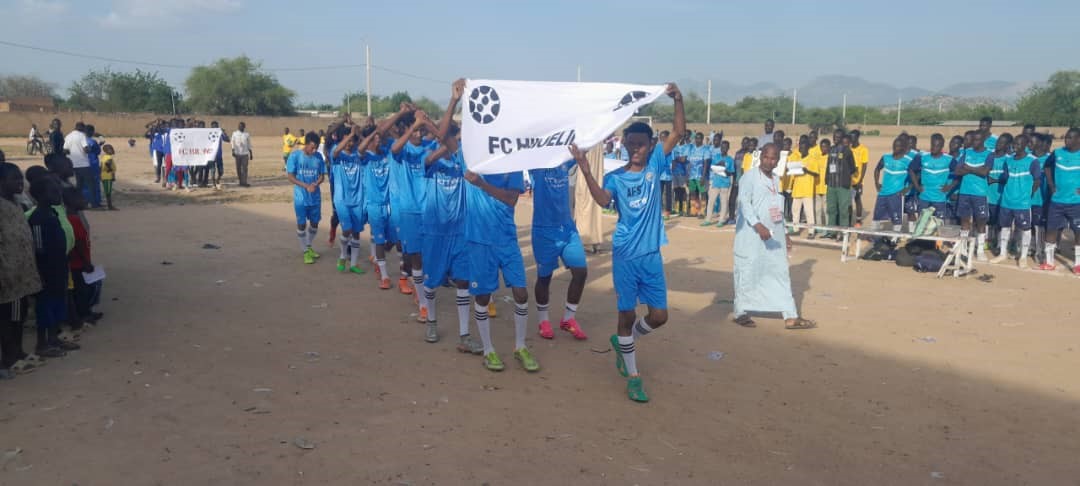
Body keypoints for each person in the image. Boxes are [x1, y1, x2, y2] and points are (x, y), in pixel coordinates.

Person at [575, 83, 683, 403]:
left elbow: (678, 131)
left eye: (641, 144)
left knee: (659, 316)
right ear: (623, 145)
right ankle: (634, 376)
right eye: (631, 144)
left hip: (651, 255)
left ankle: (626, 343)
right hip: (624, 255)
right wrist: (584, 167)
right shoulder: (617, 177)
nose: (635, 149)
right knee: (624, 315)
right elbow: (602, 199)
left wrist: (678, 98)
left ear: (650, 145)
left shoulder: (655, 165)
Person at [463, 143, 537, 374]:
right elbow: (445, 136)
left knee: (521, 293)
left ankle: (520, 346)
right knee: (483, 296)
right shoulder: (470, 157)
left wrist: (481, 184)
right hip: (479, 240)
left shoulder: (511, 163)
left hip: (506, 239)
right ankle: (488, 350)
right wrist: (454, 103)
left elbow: (511, 199)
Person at [420, 81, 483, 352]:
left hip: (459, 230)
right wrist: (452, 101)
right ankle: (432, 321)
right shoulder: (429, 156)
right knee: (432, 282)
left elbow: (450, 140)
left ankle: (464, 335)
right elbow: (440, 145)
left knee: (463, 281)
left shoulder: (461, 159)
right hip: (435, 229)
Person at [733, 142, 816, 331]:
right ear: (760, 156)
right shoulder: (749, 177)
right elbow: (744, 204)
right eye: (767, 157)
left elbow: (777, 208)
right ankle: (740, 312)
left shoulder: (776, 180)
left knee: (780, 272)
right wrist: (758, 225)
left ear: (778, 160)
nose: (770, 162)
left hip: (774, 236)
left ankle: (790, 315)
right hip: (751, 236)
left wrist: (784, 233)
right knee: (747, 271)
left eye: (774, 159)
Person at [529, 152, 589, 341]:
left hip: (568, 229)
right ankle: (543, 320)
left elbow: (582, 146)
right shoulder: (534, 163)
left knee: (580, 272)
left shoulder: (564, 159)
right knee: (544, 278)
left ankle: (568, 319)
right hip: (544, 231)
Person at [27, 176, 79, 358]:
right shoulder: (38, 218)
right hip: (46, 270)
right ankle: (42, 344)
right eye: (54, 192)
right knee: (45, 308)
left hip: (59, 267)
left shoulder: (52, 213)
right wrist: (41, 272)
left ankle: (54, 339)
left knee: (58, 304)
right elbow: (39, 249)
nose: (59, 194)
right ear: (41, 195)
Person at [0, 163, 43, 378]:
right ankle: (10, 356)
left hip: (22, 274)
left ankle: (18, 351)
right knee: (10, 319)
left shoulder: (16, 203)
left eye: (20, 178)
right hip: (9, 276)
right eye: (13, 179)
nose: (20, 182)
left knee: (20, 315)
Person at [944, 131, 994, 261]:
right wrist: (974, 169)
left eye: (977, 140)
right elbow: (958, 170)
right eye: (973, 140)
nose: (974, 142)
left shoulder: (989, 154)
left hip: (980, 193)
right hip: (965, 192)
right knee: (964, 221)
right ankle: (964, 248)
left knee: (980, 221)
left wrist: (969, 169)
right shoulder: (967, 152)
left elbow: (984, 172)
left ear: (983, 140)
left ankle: (980, 249)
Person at [991, 134, 1039, 267]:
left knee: (1026, 229)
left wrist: (1029, 194)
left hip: (1022, 202)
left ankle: (1023, 256)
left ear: (1025, 145)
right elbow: (1005, 177)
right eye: (1014, 144)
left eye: (1018, 144)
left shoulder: (1032, 161)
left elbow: (1037, 180)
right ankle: (1002, 253)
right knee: (1005, 227)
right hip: (1007, 200)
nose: (1015, 146)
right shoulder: (1009, 160)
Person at [1039, 127, 1080, 272]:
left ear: (1078, 139)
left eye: (1070, 137)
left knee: (1078, 232)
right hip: (1057, 201)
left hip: (1076, 203)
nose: (1066, 140)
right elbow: (1047, 166)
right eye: (1066, 137)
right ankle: (1049, 261)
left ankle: (1078, 264)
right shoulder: (1057, 153)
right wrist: (1051, 184)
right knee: (1051, 230)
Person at [330, 124, 368, 276]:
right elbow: (337, 151)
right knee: (347, 229)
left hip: (357, 199)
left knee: (357, 232)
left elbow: (368, 146)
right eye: (348, 140)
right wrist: (350, 136)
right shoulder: (337, 153)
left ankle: (353, 264)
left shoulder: (358, 155)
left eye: (353, 140)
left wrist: (359, 135)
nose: (351, 143)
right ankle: (342, 256)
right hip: (342, 199)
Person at [286, 132, 326, 265]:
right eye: (312, 147)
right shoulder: (295, 156)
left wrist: (316, 183)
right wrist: (305, 185)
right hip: (301, 197)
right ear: (306, 143)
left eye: (316, 147)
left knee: (315, 224)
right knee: (302, 224)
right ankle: (305, 251)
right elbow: (291, 176)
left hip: (315, 197)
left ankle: (308, 246)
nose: (314, 150)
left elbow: (322, 176)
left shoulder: (318, 156)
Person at [873, 138, 914, 232]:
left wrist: (908, 188)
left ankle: (894, 238)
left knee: (896, 219)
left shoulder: (907, 161)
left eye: (899, 146)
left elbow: (915, 175)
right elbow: (877, 169)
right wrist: (876, 182)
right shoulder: (886, 157)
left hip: (896, 194)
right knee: (877, 217)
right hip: (882, 193)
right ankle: (874, 236)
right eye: (895, 145)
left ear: (903, 148)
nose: (896, 148)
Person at [909, 134, 953, 219]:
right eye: (933, 145)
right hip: (924, 197)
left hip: (939, 198)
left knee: (939, 224)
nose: (934, 148)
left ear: (942, 146)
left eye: (937, 146)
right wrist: (917, 186)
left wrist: (950, 186)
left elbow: (959, 173)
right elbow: (911, 170)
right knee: (922, 221)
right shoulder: (922, 157)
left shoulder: (949, 159)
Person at [824, 129, 857, 235]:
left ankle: (844, 233)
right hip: (831, 184)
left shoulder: (847, 151)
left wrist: (845, 176)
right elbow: (828, 166)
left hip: (843, 186)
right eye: (834, 136)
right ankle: (831, 232)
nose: (835, 139)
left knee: (843, 210)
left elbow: (852, 167)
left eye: (838, 137)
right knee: (831, 209)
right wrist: (827, 179)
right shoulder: (831, 149)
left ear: (843, 138)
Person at [790, 138, 820, 238]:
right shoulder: (797, 159)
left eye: (803, 148)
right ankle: (795, 229)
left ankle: (811, 231)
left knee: (809, 212)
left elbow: (816, 173)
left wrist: (806, 170)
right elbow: (792, 174)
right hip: (797, 189)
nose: (801, 149)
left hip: (807, 190)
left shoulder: (812, 159)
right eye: (800, 148)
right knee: (795, 211)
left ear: (808, 148)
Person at [703, 137, 733, 227]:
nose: (724, 149)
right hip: (716, 183)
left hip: (725, 184)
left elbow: (730, 172)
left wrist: (723, 170)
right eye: (722, 147)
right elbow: (713, 168)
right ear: (720, 148)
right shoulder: (716, 157)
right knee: (711, 201)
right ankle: (708, 219)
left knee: (724, 202)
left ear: (728, 148)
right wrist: (721, 167)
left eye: (726, 147)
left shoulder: (730, 159)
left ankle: (721, 220)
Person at [686, 132, 711, 218]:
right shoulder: (691, 149)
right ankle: (694, 211)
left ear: (702, 139)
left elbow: (706, 164)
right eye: (696, 138)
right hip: (691, 176)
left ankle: (703, 211)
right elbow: (688, 164)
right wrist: (687, 176)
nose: (697, 140)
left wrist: (703, 177)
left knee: (703, 193)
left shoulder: (705, 150)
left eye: (699, 138)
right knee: (692, 193)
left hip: (700, 176)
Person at [64, 121, 92, 195]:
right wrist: (90, 148)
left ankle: (79, 201)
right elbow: (86, 150)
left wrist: (72, 154)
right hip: (83, 164)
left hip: (72, 164)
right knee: (90, 184)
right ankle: (93, 203)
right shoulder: (82, 135)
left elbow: (65, 150)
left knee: (79, 185)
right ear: (82, 128)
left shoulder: (68, 136)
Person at [849, 130, 870, 226]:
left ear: (857, 137)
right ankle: (848, 219)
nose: (851, 139)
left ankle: (858, 220)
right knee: (847, 200)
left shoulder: (863, 149)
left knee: (857, 199)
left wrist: (861, 180)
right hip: (848, 179)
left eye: (853, 137)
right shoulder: (848, 148)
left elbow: (864, 165)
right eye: (850, 137)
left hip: (858, 180)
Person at [670, 132, 690, 216]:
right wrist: (678, 159)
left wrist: (676, 159)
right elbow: (673, 160)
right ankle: (677, 209)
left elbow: (683, 160)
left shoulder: (686, 147)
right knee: (676, 191)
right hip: (674, 172)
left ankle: (685, 209)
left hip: (683, 172)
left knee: (683, 191)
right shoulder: (674, 147)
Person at [84, 124, 103, 208]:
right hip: (93, 164)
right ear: (92, 132)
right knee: (95, 183)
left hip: (83, 164)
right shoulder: (93, 142)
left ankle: (85, 201)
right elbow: (98, 151)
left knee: (85, 184)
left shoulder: (81, 141)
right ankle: (95, 202)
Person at [231, 122, 253, 187]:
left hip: (245, 154)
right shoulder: (234, 134)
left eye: (241, 126)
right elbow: (232, 142)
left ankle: (244, 182)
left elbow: (249, 144)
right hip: (237, 154)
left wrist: (251, 153)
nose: (240, 127)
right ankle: (240, 181)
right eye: (239, 126)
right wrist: (233, 150)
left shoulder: (247, 134)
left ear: (244, 127)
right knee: (238, 168)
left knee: (245, 168)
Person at [101, 144, 117, 210]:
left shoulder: (104, 157)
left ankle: (109, 205)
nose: (112, 150)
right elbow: (107, 163)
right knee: (108, 192)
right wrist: (111, 171)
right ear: (106, 151)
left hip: (103, 176)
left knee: (107, 191)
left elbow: (101, 166)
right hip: (108, 176)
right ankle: (110, 206)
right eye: (110, 149)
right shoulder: (109, 158)